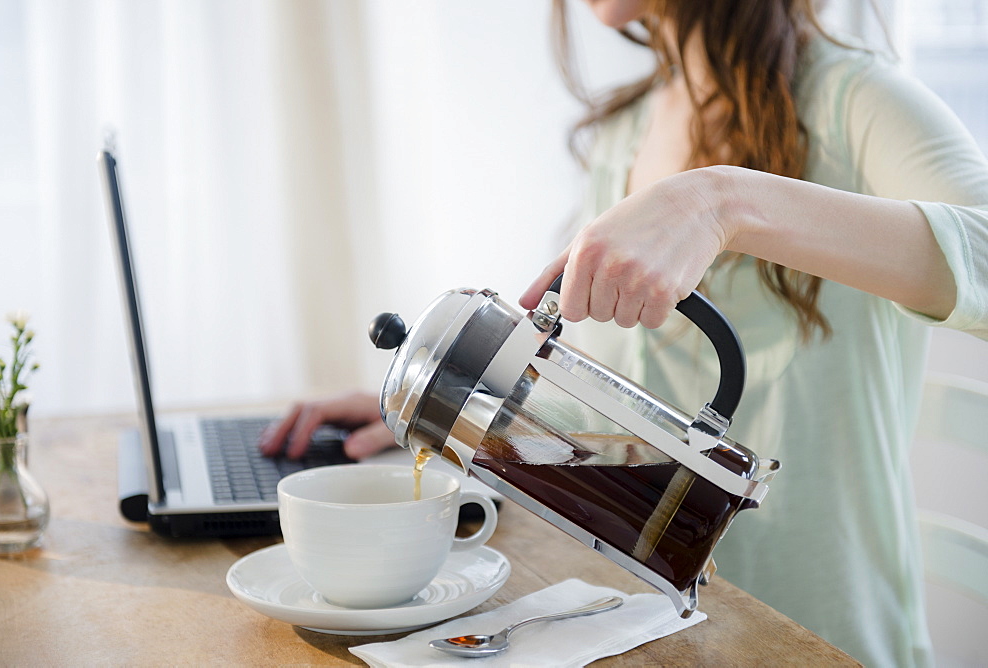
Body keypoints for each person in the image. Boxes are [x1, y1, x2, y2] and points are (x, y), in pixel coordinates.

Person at [260, 1, 988, 665]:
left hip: (814, 641)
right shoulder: (627, 132)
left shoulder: (856, 102)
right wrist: (457, 405)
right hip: (654, 636)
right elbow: (616, 391)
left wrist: (723, 199)